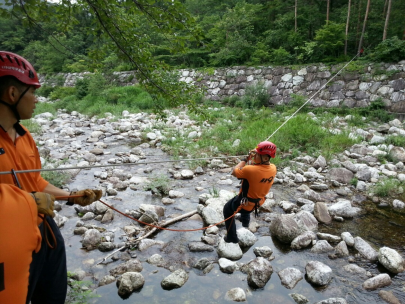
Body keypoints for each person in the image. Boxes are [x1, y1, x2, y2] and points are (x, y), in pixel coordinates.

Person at [0, 51, 102, 304]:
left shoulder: (25, 137)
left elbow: (35, 183)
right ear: (12, 94)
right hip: (9, 246)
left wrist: (72, 196)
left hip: (45, 234)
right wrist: (29, 203)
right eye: (31, 92)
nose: (36, 99)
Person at [0, 184, 55, 304]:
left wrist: (70, 197)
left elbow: (35, 179)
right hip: (18, 220)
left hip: (37, 220)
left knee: (52, 292)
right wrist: (26, 200)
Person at [223, 141, 277, 244]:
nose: (253, 156)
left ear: (265, 158)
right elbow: (258, 170)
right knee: (249, 195)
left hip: (245, 204)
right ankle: (245, 222)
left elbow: (234, 171)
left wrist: (244, 160)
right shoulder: (273, 168)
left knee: (227, 209)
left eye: (256, 154)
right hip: (258, 202)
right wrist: (254, 156)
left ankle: (232, 238)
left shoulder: (250, 170)